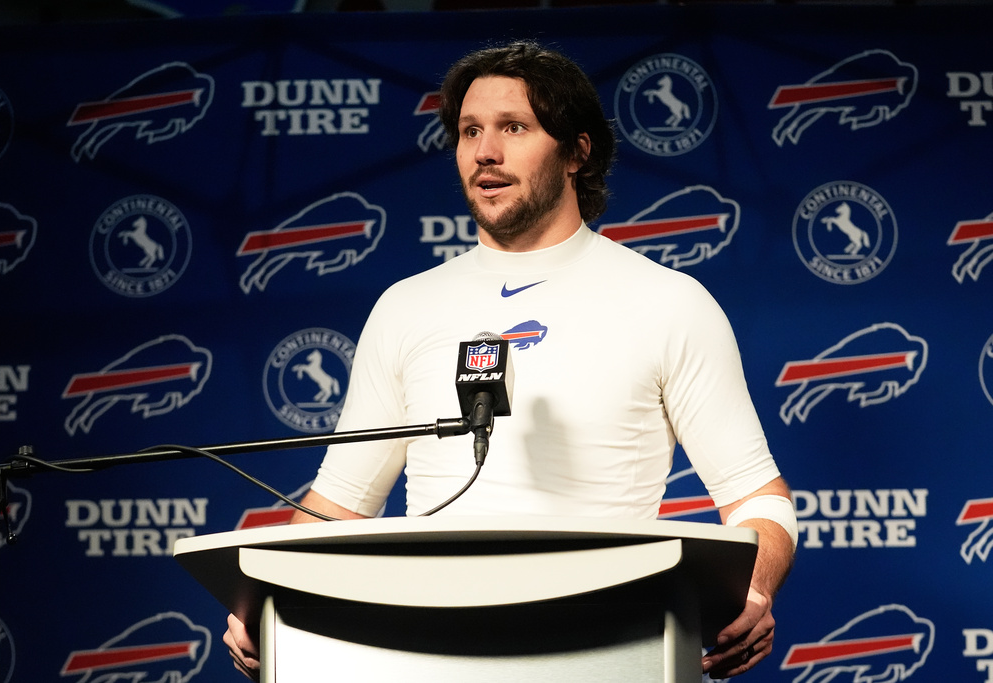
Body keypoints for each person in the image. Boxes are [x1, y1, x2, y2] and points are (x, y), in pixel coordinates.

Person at [225, 40, 796, 680]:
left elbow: (758, 498)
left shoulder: (670, 303)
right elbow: (339, 505)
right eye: (470, 131)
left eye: (514, 128)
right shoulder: (404, 307)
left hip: (605, 648)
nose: (485, 152)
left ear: (578, 152)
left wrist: (753, 591)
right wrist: (265, 599)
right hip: (425, 654)